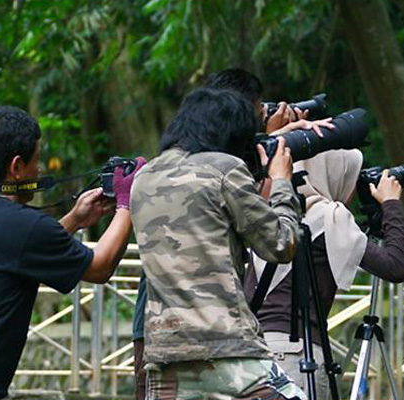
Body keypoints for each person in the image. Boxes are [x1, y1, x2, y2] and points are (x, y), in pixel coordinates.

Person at [130, 88, 307, 400]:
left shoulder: (144, 177)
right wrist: (281, 182)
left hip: (164, 354)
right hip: (227, 348)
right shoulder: (224, 168)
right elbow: (281, 243)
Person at [0, 106, 145, 400]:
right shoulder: (25, 226)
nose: (42, 170)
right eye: (37, 160)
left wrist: (74, 219)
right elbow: (100, 268)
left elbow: (15, 250)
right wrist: (127, 202)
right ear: (17, 167)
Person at [244, 149, 404, 399]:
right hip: (297, 357)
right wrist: (391, 204)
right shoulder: (329, 216)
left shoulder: (271, 213)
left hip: (250, 355)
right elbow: (394, 266)